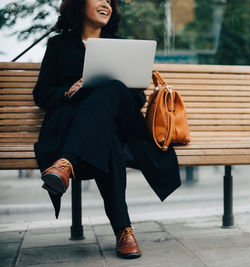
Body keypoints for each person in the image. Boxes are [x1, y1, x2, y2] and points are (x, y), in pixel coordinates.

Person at [33, 0, 181, 259]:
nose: (106, 4)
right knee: (108, 138)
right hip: (74, 122)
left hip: (121, 119)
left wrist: (134, 86)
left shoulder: (120, 46)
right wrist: (68, 91)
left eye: (110, 1)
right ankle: (124, 230)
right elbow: (41, 94)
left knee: (112, 89)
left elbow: (137, 103)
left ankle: (66, 163)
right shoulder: (59, 45)